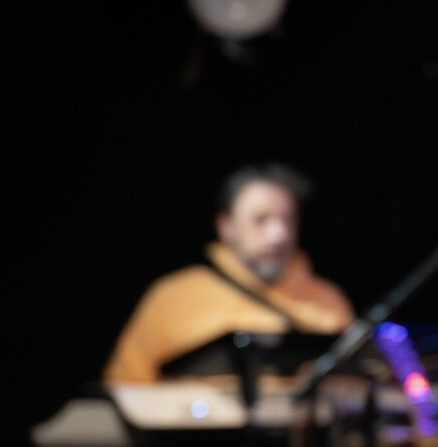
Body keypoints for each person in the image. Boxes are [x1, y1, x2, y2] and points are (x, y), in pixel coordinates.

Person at [104, 164, 353, 383]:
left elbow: (355, 389)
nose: (279, 235)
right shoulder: (172, 297)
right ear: (226, 227)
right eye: (261, 220)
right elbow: (124, 387)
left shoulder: (328, 300)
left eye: (288, 220)